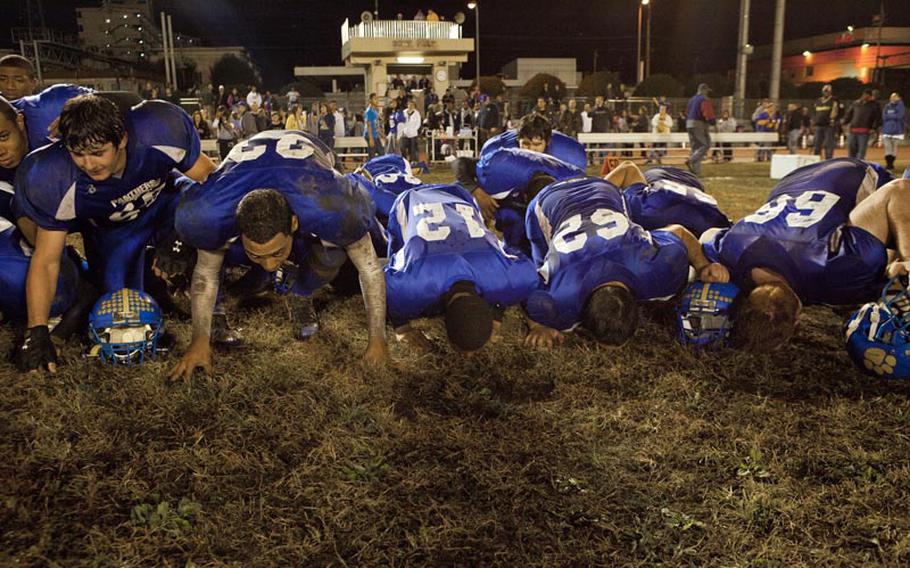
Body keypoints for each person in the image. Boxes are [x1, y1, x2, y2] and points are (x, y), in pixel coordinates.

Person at [12, 94, 216, 373]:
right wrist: (36, 330)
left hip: (170, 204)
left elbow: (211, 183)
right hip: (117, 231)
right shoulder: (55, 173)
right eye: (78, 154)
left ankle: (211, 303)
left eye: (97, 152)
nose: (88, 163)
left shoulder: (157, 130)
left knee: (223, 233)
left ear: (122, 139)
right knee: (119, 309)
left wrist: (187, 234)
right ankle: (152, 281)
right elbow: (47, 259)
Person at [170, 130, 388, 379]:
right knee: (206, 244)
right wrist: (199, 339)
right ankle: (218, 309)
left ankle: (301, 293)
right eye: (258, 255)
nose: (271, 265)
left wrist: (378, 341)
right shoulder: (215, 212)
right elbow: (205, 273)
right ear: (238, 228)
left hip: (309, 171)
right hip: (246, 172)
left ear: (294, 223)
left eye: (276, 253)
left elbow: (370, 267)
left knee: (333, 253)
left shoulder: (329, 207)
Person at [701, 158, 908, 351]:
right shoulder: (730, 254)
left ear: (798, 320)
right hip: (792, 181)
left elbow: (898, 190)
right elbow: (708, 235)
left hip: (851, 175)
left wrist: (905, 259)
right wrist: (704, 265)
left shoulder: (839, 265)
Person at [522, 175, 729, 349]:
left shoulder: (565, 288)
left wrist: (703, 266)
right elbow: (527, 284)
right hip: (549, 200)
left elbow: (680, 232)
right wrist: (539, 325)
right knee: (539, 258)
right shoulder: (562, 293)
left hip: (597, 190)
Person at [385, 183, 539, 353]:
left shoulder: (512, 277)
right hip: (412, 199)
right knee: (399, 251)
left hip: (461, 198)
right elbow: (383, 280)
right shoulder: (411, 286)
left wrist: (496, 313)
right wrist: (402, 329)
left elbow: (513, 258)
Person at [685, 83, 716, 176]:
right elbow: (707, 112)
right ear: (704, 90)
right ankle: (691, 160)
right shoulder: (704, 100)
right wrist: (712, 121)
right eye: (707, 91)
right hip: (699, 124)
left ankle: (695, 172)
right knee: (705, 145)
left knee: (695, 148)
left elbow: (687, 112)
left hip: (689, 123)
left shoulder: (691, 99)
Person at [843, 89, 881, 160]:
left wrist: (873, 128)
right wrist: (844, 122)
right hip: (853, 130)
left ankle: (859, 166)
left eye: (867, 95)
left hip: (864, 131)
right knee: (851, 150)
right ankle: (851, 166)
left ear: (870, 96)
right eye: (864, 94)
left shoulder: (874, 105)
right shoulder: (855, 103)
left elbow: (878, 118)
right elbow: (849, 114)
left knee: (861, 151)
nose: (864, 96)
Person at [812, 84, 839, 159]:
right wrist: (814, 122)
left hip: (829, 126)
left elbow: (836, 112)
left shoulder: (834, 100)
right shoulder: (818, 101)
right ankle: (816, 159)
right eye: (825, 91)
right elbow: (814, 112)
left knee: (828, 144)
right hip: (819, 125)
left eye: (827, 91)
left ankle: (828, 160)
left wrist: (833, 121)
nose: (826, 93)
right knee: (817, 144)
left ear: (830, 92)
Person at [882, 92, 906, 171]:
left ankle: (891, 164)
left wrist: (890, 116)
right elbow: (884, 117)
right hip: (887, 130)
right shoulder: (887, 106)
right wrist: (893, 116)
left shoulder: (901, 106)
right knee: (888, 147)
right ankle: (888, 164)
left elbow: (900, 116)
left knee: (894, 148)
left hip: (897, 130)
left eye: (895, 96)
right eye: (891, 96)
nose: (892, 98)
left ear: (899, 97)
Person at [400, 99, 422, 163]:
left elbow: (418, 123)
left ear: (414, 106)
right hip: (404, 133)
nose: (411, 106)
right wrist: (403, 130)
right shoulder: (404, 112)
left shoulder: (417, 113)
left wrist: (413, 130)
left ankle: (413, 161)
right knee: (403, 147)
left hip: (413, 134)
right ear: (407, 105)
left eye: (412, 105)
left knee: (412, 149)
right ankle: (404, 161)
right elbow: (401, 122)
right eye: (409, 104)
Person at [364, 93, 384, 159]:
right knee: (372, 156)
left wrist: (382, 135)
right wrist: (371, 138)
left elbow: (376, 125)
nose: (377, 100)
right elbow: (369, 125)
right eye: (375, 99)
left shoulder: (375, 111)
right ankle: (368, 168)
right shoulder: (369, 111)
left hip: (375, 135)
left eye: (377, 99)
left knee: (381, 153)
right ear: (370, 100)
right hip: (371, 135)